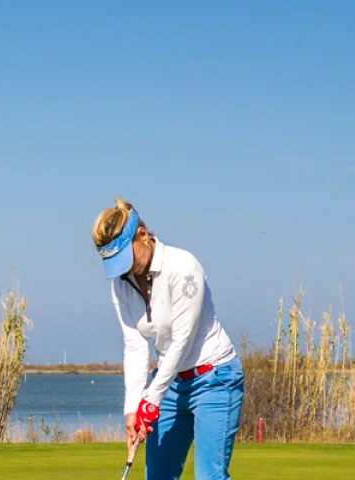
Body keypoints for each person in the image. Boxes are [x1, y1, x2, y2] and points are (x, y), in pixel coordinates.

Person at [92, 197, 244, 480]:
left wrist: (151, 399)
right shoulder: (121, 284)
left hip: (215, 379)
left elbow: (181, 341)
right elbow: (135, 344)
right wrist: (132, 409)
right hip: (171, 383)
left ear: (143, 235)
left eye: (126, 258)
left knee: (210, 477)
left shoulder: (184, 267)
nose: (124, 269)